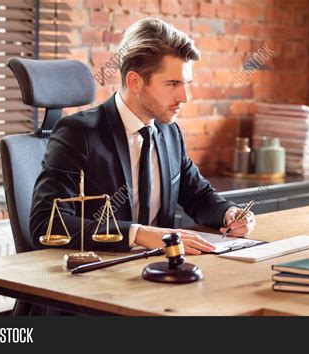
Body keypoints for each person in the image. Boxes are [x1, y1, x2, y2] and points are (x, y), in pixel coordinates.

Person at [30, 18, 256, 255]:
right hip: (101, 274)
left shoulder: (170, 132)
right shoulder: (78, 134)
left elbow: (198, 196)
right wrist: (137, 233)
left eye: (186, 83)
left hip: (161, 271)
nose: (184, 97)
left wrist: (229, 213)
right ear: (135, 82)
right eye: (172, 84)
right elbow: (46, 224)